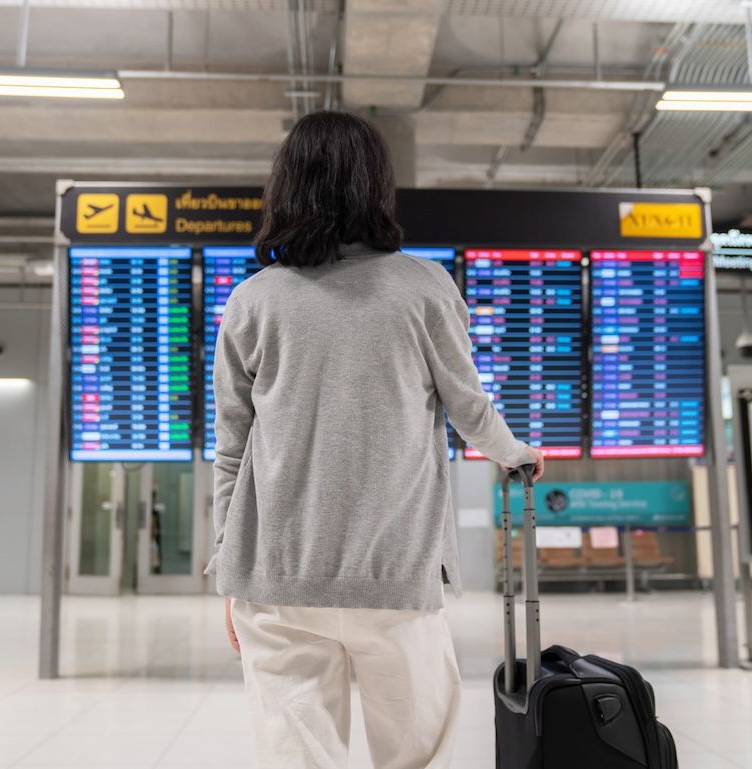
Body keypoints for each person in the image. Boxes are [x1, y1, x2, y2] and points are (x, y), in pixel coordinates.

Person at [206, 110, 545, 769]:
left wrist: (229, 568)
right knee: (418, 755)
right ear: (374, 186)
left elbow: (230, 448)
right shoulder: (424, 287)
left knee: (296, 755)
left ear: (284, 186)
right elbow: (466, 402)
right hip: (395, 575)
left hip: (276, 579)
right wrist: (515, 453)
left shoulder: (253, 300)